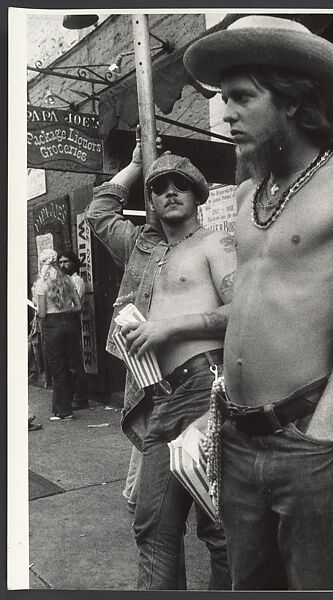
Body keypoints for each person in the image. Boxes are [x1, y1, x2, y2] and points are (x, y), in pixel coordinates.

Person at [184, 15, 333, 590]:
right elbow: (253, 307)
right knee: (247, 586)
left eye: (240, 98)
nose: (225, 113)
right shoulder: (250, 192)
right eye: (223, 98)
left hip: (304, 433)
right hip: (233, 432)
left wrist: (326, 426)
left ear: (292, 102)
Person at [85, 131, 234, 590]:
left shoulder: (215, 243)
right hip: (156, 401)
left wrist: (166, 328)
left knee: (220, 531)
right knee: (152, 527)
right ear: (149, 199)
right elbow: (99, 212)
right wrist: (134, 166)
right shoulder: (142, 249)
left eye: (179, 185)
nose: (169, 191)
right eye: (158, 186)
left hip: (206, 394)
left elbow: (243, 312)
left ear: (197, 195)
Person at [33, 248, 82, 421]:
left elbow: (43, 314)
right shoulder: (68, 280)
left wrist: (37, 309)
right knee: (69, 366)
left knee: (57, 369)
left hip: (52, 326)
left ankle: (65, 411)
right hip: (69, 324)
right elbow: (78, 306)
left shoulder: (41, 284)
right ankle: (59, 407)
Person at [58, 250, 89, 410]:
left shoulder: (77, 281)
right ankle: (71, 395)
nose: (63, 265)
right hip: (62, 323)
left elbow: (73, 305)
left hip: (72, 321)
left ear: (73, 263)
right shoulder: (63, 281)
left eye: (66, 262)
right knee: (65, 360)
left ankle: (81, 397)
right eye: (61, 262)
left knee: (74, 361)